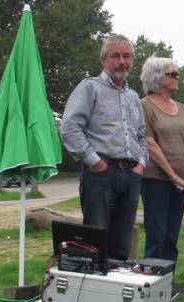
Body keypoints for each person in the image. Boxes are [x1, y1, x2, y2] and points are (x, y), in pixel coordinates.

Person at [60, 34, 147, 260]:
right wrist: (94, 162)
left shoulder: (133, 97)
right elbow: (69, 128)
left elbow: (142, 135)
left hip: (131, 175)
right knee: (95, 242)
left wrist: (141, 164)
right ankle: (94, 291)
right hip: (101, 175)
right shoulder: (89, 88)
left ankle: (117, 292)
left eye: (126, 56)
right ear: (103, 60)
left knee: (122, 244)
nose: (122, 61)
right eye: (115, 56)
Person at [139, 57, 184, 263]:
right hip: (155, 180)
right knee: (156, 235)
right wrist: (173, 176)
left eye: (177, 73)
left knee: (171, 237)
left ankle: (167, 284)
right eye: (172, 74)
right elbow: (149, 143)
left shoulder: (182, 108)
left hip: (181, 181)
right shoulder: (144, 106)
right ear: (157, 77)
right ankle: (152, 284)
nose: (177, 77)